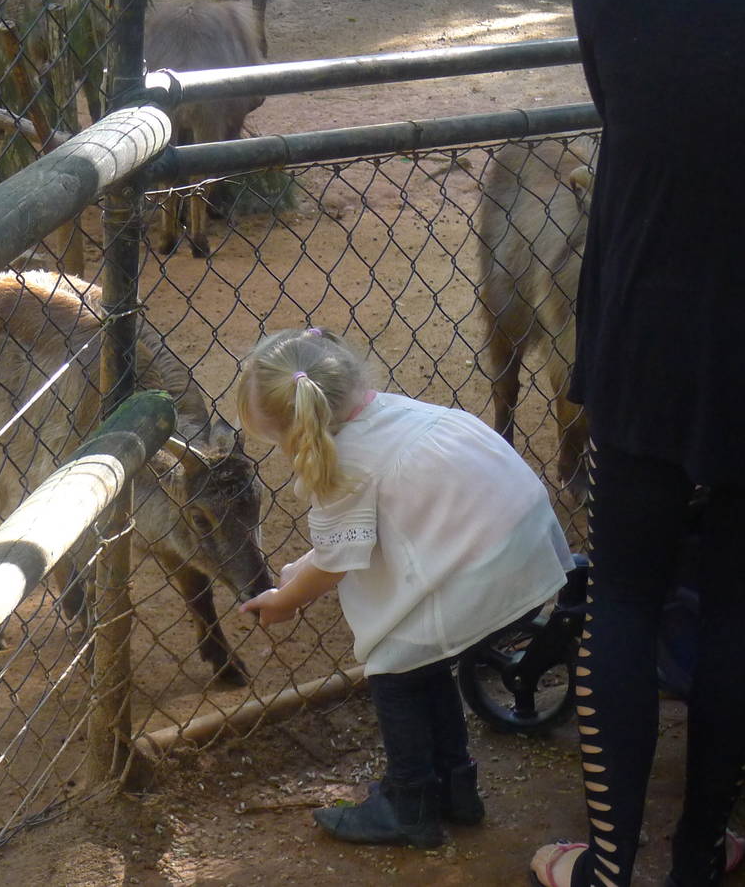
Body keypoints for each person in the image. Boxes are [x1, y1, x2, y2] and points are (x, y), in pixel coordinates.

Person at [528, 0, 745, 883]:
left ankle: (609, 866)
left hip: (643, 329)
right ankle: (700, 852)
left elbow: (631, 112)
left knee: (624, 590)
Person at [235, 326, 573, 848]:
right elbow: (364, 530)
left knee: (393, 666)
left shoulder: (341, 461)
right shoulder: (388, 411)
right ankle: (456, 789)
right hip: (524, 545)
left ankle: (409, 804)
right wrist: (306, 562)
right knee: (424, 661)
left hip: (483, 567)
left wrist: (285, 599)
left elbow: (335, 566)